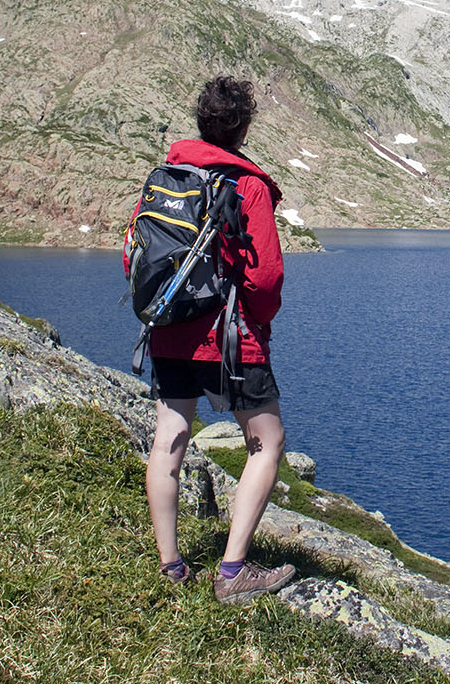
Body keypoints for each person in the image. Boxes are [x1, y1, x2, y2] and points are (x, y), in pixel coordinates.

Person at [138, 75, 296, 603]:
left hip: (168, 332)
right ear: (243, 128)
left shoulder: (165, 176)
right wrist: (260, 323)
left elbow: (135, 254)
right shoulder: (246, 185)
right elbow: (265, 277)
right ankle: (232, 572)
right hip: (229, 337)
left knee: (170, 439)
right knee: (266, 442)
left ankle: (170, 567)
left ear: (201, 121)